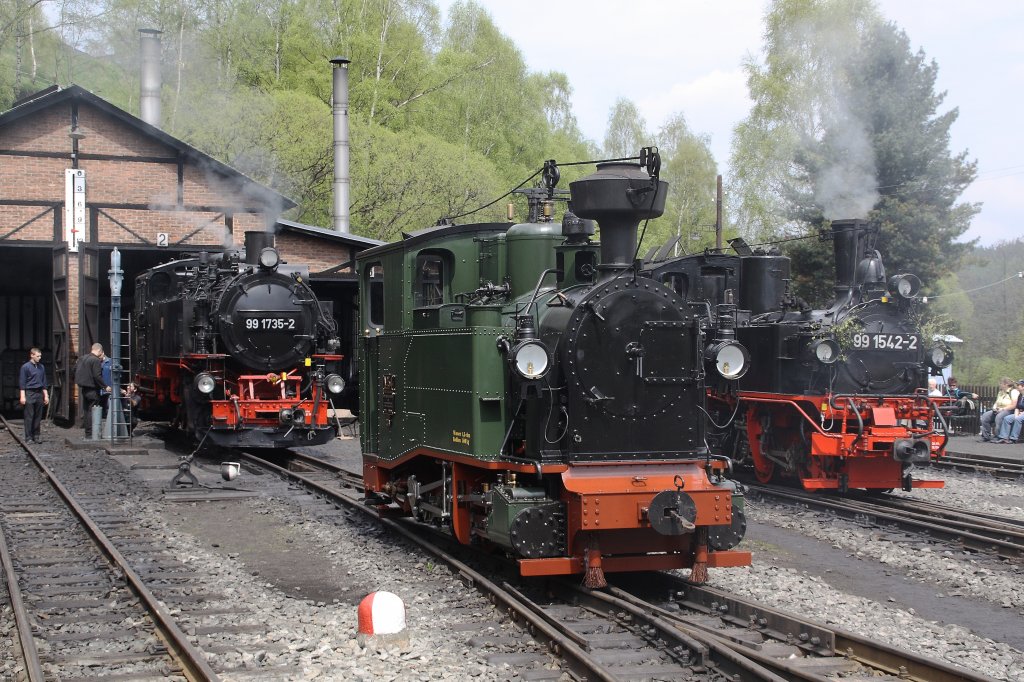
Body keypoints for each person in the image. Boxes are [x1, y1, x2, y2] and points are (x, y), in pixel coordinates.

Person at [75, 343, 108, 438]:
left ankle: (88, 433)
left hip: (84, 389)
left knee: (86, 411)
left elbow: (74, 370)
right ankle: (92, 434)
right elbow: (97, 376)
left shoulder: (82, 358)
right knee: (92, 411)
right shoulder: (96, 360)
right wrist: (105, 386)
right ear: (99, 351)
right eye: (102, 353)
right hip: (93, 389)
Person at [18, 347, 49, 444]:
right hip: (29, 393)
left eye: (40, 356)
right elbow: (22, 382)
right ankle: (28, 437)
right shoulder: (25, 367)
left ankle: (36, 436)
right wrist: (22, 396)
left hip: (39, 393)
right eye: (38, 356)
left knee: (38, 416)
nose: (39, 358)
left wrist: (46, 395)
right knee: (29, 416)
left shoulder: (41, 367)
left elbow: (44, 382)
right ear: (32, 355)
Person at [979, 377, 1019, 442]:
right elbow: (996, 402)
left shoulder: (1013, 391)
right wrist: (994, 408)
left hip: (1009, 410)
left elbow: (1014, 405)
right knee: (985, 416)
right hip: (999, 409)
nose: (999, 385)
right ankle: (986, 436)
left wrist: (1003, 409)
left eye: (1001, 383)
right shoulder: (1001, 392)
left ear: (1006, 384)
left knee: (999, 417)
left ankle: (999, 436)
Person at [994, 379, 1024, 443]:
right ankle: (1003, 437)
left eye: (1018, 385)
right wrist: (1016, 415)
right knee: (1007, 418)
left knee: (1018, 419)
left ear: (1023, 386)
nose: (1017, 386)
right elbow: (1017, 407)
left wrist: (1020, 414)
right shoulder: (1020, 395)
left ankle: (1014, 438)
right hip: (1020, 413)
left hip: (1022, 413)